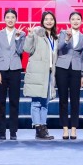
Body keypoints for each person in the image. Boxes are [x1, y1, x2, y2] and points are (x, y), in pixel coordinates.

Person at [23, 11, 58, 140]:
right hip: (37, 72)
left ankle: (43, 128)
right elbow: (27, 49)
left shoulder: (55, 37)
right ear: (42, 21)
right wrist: (30, 35)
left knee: (45, 103)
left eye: (51, 19)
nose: (49, 21)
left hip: (49, 73)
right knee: (36, 102)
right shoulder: (37, 33)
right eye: (46, 19)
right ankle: (38, 128)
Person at [0, 8, 26, 140]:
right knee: (0, 101)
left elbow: (20, 51)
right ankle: (1, 131)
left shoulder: (21, 33)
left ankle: (13, 131)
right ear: (4, 19)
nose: (10, 20)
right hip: (1, 70)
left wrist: (17, 38)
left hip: (15, 70)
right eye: (8, 17)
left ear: (16, 19)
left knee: (14, 101)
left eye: (13, 17)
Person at [55, 11, 83, 140]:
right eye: (73, 19)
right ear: (69, 21)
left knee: (75, 100)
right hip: (62, 68)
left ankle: (73, 128)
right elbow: (58, 48)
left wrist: (82, 75)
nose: (75, 21)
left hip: (76, 69)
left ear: (81, 21)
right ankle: (65, 128)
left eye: (78, 19)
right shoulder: (63, 33)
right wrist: (67, 39)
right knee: (63, 99)